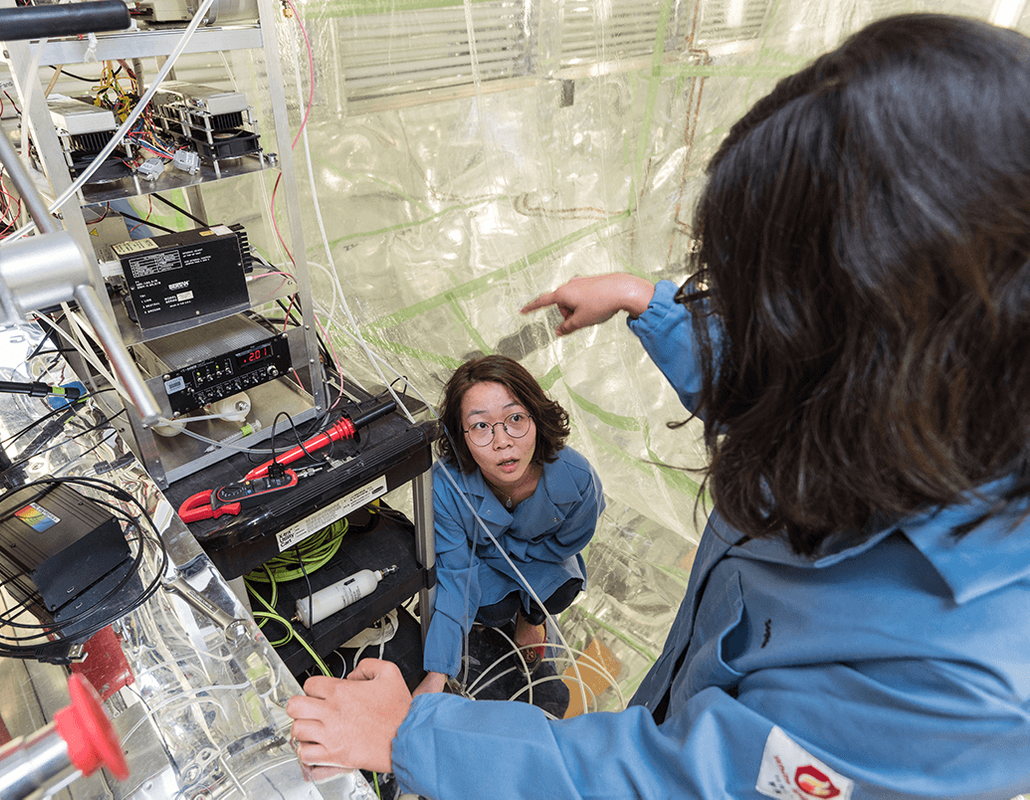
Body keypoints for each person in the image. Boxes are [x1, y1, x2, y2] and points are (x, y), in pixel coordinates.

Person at [286, 14, 1030, 799]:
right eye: (477, 425)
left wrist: (417, 738)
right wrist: (649, 302)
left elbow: (665, 784)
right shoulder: (912, 402)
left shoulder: (959, 686)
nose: (499, 440)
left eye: (761, 307)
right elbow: (772, 390)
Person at [414, 355, 604, 697]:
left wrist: (516, 557)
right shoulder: (445, 487)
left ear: (537, 415)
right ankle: (509, 611)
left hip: (542, 559)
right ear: (460, 436)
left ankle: (532, 619)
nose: (502, 441)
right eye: (481, 426)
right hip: (485, 564)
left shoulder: (578, 479)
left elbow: (569, 543)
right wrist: (437, 674)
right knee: (490, 607)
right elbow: (456, 578)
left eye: (515, 418)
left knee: (561, 591)